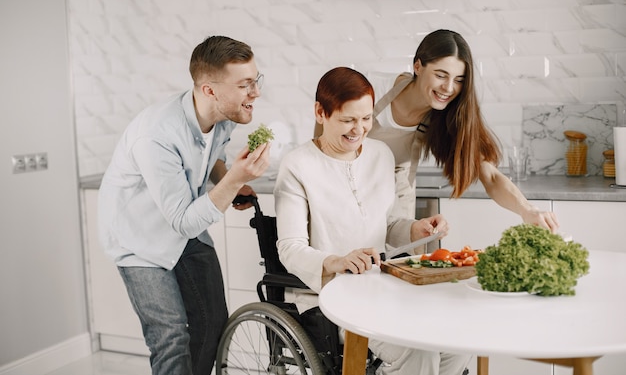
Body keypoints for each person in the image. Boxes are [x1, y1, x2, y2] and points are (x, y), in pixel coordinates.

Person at [274, 67, 471, 375]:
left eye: (366, 119)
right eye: (348, 120)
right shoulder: (298, 166)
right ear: (320, 113)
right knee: (418, 350)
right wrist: (337, 261)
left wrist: (416, 228)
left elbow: (389, 225)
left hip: (382, 288)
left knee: (455, 339)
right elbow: (289, 248)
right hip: (330, 298)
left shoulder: (380, 155)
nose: (359, 129)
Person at [98, 35, 271, 375]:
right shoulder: (157, 135)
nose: (255, 93)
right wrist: (233, 179)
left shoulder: (220, 116)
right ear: (209, 90)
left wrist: (228, 179)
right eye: (245, 85)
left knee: (212, 322)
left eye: (255, 81)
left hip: (183, 222)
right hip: (140, 239)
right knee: (171, 337)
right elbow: (183, 221)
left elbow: (214, 157)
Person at [366, 29, 559, 232]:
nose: (449, 88)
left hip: (396, 210)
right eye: (441, 75)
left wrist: (527, 210)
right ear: (418, 66)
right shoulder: (372, 88)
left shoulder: (449, 116)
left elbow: (491, 176)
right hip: (349, 197)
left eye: (459, 80)